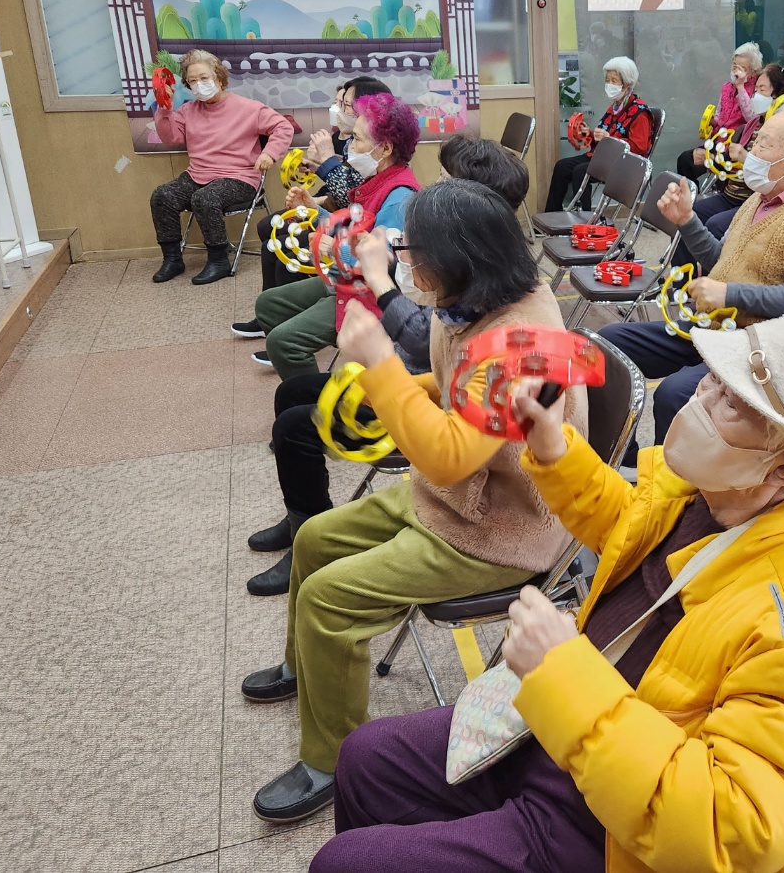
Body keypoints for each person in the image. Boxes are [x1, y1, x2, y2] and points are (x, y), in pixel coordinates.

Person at [311, 315, 784, 873]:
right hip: (586, 732)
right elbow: (631, 530)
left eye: (732, 403)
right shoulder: (724, 489)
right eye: (712, 380)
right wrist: (553, 451)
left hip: (621, 833)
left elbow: (727, 829)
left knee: (344, 864)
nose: (699, 399)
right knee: (365, 759)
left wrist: (564, 675)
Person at [240, 179, 588, 824]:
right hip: (453, 501)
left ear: (457, 257)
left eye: (412, 250)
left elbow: (451, 455)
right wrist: (410, 385)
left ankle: (331, 761)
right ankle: (305, 667)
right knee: (313, 539)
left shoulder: (525, 340)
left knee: (327, 599)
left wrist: (382, 365)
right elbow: (460, 385)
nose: (404, 261)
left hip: (498, 531)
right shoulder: (478, 299)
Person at [246, 138, 531, 596]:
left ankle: (307, 529)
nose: (434, 188)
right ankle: (302, 518)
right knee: (291, 395)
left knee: (295, 428)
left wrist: (380, 286)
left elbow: (425, 338)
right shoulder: (464, 249)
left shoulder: (473, 266)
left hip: (428, 398)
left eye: (446, 180)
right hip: (426, 381)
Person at [600, 108, 784, 465]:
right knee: (607, 344)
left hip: (758, 348)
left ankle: (675, 487)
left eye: (764, 144)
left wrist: (728, 293)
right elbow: (723, 260)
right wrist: (687, 221)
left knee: (674, 394)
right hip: (717, 328)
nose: (751, 151)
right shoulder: (761, 198)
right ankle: (626, 462)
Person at [251, 92, 420, 379]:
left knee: (283, 342)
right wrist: (315, 212)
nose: (350, 146)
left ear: (385, 148)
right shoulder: (378, 180)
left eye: (357, 139)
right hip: (351, 280)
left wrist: (332, 248)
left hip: (372, 296)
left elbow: (384, 264)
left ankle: (315, 394)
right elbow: (356, 229)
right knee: (268, 305)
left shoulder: (399, 197)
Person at [233, 77, 390, 344]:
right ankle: (272, 320)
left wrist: (326, 165)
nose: (338, 108)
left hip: (350, 237)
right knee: (272, 234)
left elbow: (352, 199)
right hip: (340, 220)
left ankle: (289, 326)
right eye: (339, 102)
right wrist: (316, 186)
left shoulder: (376, 153)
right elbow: (350, 195)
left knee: (288, 245)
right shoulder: (349, 141)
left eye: (345, 104)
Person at [149, 49, 294, 285]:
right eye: (193, 81)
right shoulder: (187, 111)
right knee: (162, 196)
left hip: (240, 177)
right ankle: (172, 259)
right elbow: (171, 138)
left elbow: (283, 127)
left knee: (205, 198)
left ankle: (219, 261)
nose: (199, 84)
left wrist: (269, 153)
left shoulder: (249, 108)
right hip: (197, 175)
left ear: (219, 77)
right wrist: (165, 108)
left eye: (204, 78)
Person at [673, 62, 784, 269]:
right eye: (755, 89)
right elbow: (730, 161)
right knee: (688, 215)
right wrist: (710, 158)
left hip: (756, 203)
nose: (755, 95)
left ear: (779, 94)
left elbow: (778, 174)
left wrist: (746, 158)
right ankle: (681, 279)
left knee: (715, 226)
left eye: (762, 90)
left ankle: (711, 284)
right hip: (732, 195)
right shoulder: (753, 124)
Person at [546, 57, 652, 211]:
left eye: (614, 80)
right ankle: (552, 214)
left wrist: (609, 138)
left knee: (581, 171)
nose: (609, 84)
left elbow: (639, 148)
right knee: (562, 167)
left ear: (627, 85)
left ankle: (585, 219)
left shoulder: (640, 112)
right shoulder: (615, 107)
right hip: (602, 156)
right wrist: (588, 134)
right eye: (607, 80)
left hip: (623, 163)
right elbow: (603, 137)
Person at [676, 42, 763, 185]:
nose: (736, 71)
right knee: (685, 159)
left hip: (735, 148)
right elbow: (719, 114)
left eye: (742, 68)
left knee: (697, 159)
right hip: (718, 142)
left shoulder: (755, 90)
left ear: (753, 71)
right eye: (734, 66)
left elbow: (751, 118)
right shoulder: (726, 87)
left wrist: (740, 87)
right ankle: (691, 194)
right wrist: (712, 121)